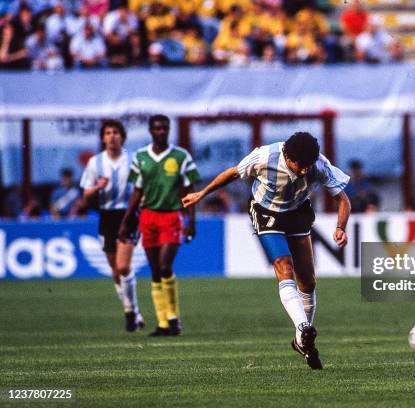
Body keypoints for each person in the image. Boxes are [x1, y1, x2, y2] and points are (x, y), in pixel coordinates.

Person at [181, 132, 351, 369]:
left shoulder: (319, 165)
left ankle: (301, 340)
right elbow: (232, 173)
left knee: (308, 282)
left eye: (308, 165)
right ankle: (303, 328)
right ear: (287, 157)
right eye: (300, 166)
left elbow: (343, 199)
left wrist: (341, 227)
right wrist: (201, 194)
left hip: (298, 211)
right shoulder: (264, 157)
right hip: (266, 212)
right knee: (284, 265)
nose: (304, 171)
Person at [119, 114, 201, 337]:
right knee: (155, 271)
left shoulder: (181, 156)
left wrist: (191, 221)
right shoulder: (140, 157)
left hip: (171, 216)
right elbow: (137, 192)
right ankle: (163, 323)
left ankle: (174, 318)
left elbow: (190, 190)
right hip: (147, 217)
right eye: (157, 128)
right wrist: (127, 220)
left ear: (169, 129)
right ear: (150, 131)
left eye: (165, 128)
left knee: (165, 266)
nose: (161, 131)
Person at [80, 119, 144, 332]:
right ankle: (134, 311)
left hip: (128, 215)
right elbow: (86, 194)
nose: (112, 136)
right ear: (102, 138)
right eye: (108, 133)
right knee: (115, 270)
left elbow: (141, 188)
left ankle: (130, 312)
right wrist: (97, 187)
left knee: (124, 266)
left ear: (122, 136)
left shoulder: (133, 160)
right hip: (106, 216)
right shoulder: (95, 163)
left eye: (116, 132)